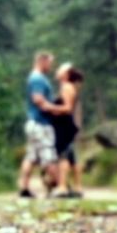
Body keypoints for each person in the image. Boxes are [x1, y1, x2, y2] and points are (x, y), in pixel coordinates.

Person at [38, 62, 84, 198]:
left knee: (63, 156)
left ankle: (62, 186)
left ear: (65, 74)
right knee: (72, 156)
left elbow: (67, 108)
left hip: (63, 125)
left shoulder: (66, 87)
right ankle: (78, 186)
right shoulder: (68, 87)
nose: (56, 71)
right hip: (66, 124)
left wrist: (48, 107)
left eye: (60, 70)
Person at [17, 51, 59, 198]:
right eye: (50, 63)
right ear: (42, 61)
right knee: (49, 156)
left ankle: (24, 187)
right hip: (40, 123)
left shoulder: (35, 78)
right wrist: (57, 109)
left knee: (31, 157)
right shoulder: (37, 79)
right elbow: (38, 100)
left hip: (33, 123)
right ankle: (59, 187)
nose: (51, 67)